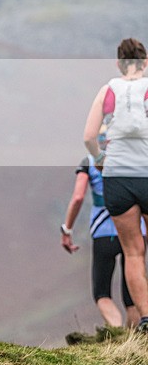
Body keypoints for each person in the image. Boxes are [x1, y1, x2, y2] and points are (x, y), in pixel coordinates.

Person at [83, 37, 148, 332]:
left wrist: (100, 160)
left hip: (117, 176)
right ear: (145, 62)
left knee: (133, 252)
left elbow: (89, 136)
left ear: (119, 64)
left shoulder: (107, 90)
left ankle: (145, 318)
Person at [61, 129, 144, 328]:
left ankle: (116, 330)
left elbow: (78, 197)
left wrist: (67, 229)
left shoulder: (89, 162)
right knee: (132, 293)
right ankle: (133, 338)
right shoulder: (134, 160)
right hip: (135, 230)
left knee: (102, 292)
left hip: (104, 230)